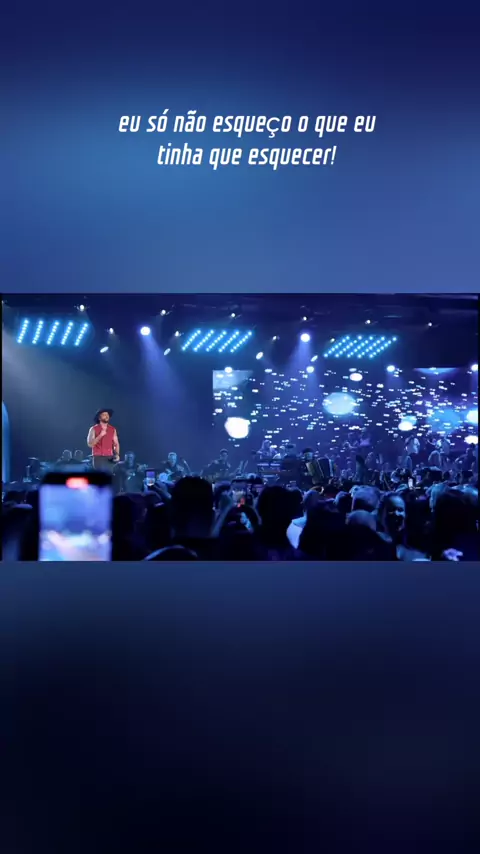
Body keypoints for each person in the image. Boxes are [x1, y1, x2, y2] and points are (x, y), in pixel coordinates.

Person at [87, 409, 120, 473]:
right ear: (99, 418)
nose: (106, 416)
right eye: (104, 415)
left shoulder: (112, 429)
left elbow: (116, 444)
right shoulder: (93, 429)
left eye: (107, 415)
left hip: (109, 457)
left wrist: (117, 454)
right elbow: (90, 444)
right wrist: (100, 435)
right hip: (98, 457)